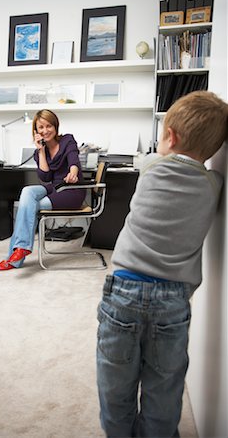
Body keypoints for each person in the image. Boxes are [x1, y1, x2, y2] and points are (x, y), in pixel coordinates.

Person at [96, 90, 228, 438]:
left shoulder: (150, 167)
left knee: (115, 385)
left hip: (122, 291)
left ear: (170, 137)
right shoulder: (213, 184)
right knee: (165, 387)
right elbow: (201, 171)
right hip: (172, 300)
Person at [0, 109, 86, 271]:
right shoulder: (39, 153)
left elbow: (73, 160)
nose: (45, 131)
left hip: (72, 190)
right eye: (41, 128)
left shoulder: (67, 140)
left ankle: (14, 258)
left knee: (30, 207)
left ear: (55, 126)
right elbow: (45, 177)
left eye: (49, 126)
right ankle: (21, 249)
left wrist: (73, 173)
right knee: (27, 193)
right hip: (55, 188)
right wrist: (41, 151)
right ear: (35, 131)